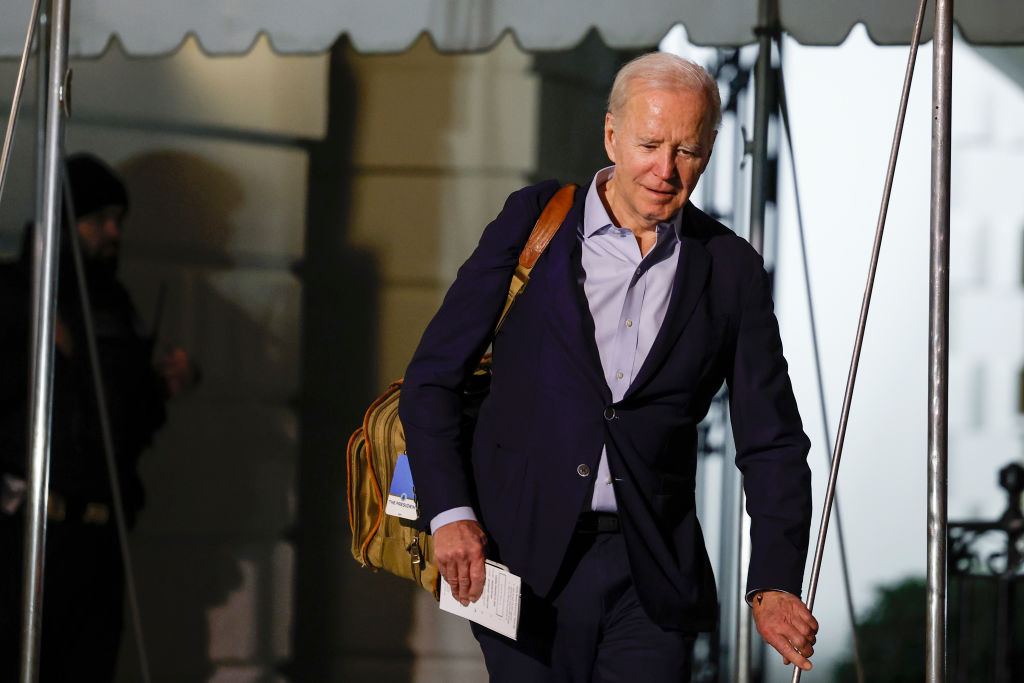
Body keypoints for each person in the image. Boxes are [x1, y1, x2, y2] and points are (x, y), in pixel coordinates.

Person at [399, 53, 819, 681]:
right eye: (650, 144)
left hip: (651, 571)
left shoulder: (730, 269)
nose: (665, 170)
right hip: (519, 559)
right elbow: (432, 379)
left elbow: (773, 441)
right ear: (611, 135)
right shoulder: (533, 222)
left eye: (689, 151)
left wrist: (774, 582)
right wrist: (451, 515)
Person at [0, 153, 194, 681]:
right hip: (28, 532)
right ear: (64, 220)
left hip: (100, 535)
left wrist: (162, 384)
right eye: (98, 218)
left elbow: (124, 424)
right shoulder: (17, 294)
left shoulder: (115, 302)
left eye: (118, 219)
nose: (113, 232)